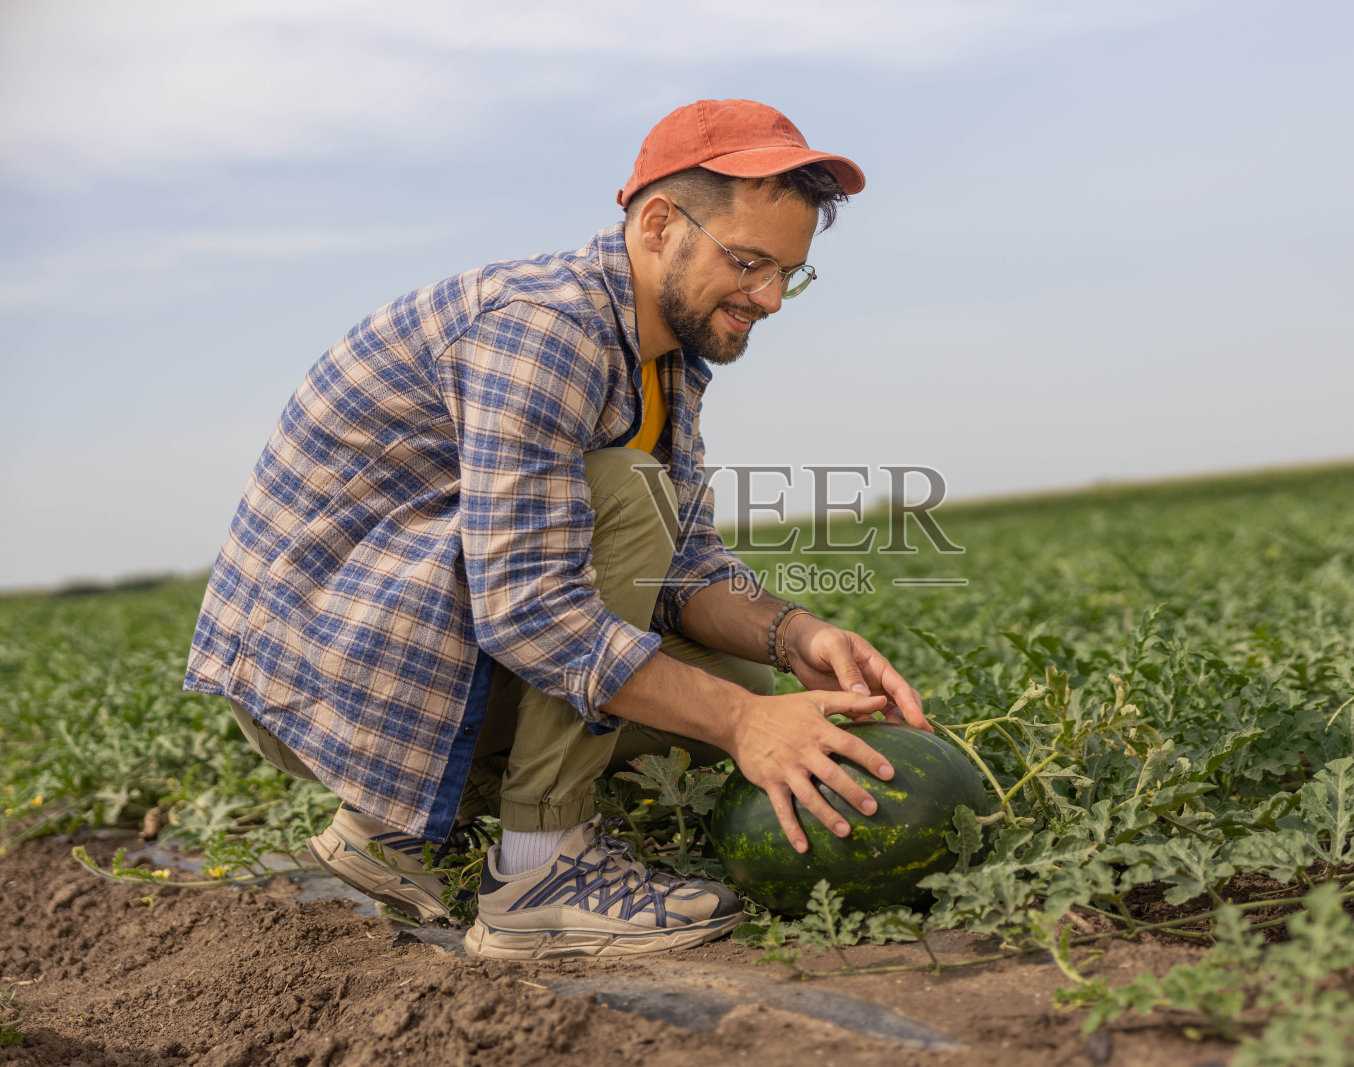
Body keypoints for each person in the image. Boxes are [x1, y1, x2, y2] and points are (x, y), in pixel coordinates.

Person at [183, 99, 929, 961]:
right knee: (633, 508)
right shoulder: (545, 328)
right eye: (750, 263)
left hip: (418, 657)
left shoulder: (665, 360)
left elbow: (682, 567)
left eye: (787, 274)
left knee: (757, 692)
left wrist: (794, 633)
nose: (767, 299)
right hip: (333, 681)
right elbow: (530, 611)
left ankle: (385, 829)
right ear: (658, 225)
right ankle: (540, 877)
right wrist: (737, 725)